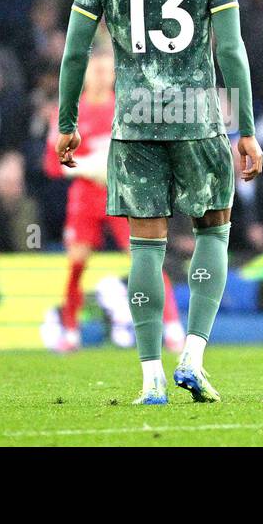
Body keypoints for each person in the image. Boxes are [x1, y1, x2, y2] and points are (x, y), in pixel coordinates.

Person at [55, 0, 261, 405]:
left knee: (145, 250)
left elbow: (76, 51)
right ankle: (192, 355)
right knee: (213, 233)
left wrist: (67, 121)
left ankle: (150, 380)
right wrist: (245, 127)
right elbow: (232, 50)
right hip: (196, 116)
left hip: (136, 122)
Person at [44, 50, 183, 353]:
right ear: (85, 74)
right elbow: (52, 164)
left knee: (145, 258)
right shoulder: (68, 112)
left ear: (114, 74)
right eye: (95, 70)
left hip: (122, 193)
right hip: (84, 197)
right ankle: (70, 332)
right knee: (77, 264)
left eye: (107, 71)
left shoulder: (127, 109)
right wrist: (88, 166)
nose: (101, 76)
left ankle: (172, 327)